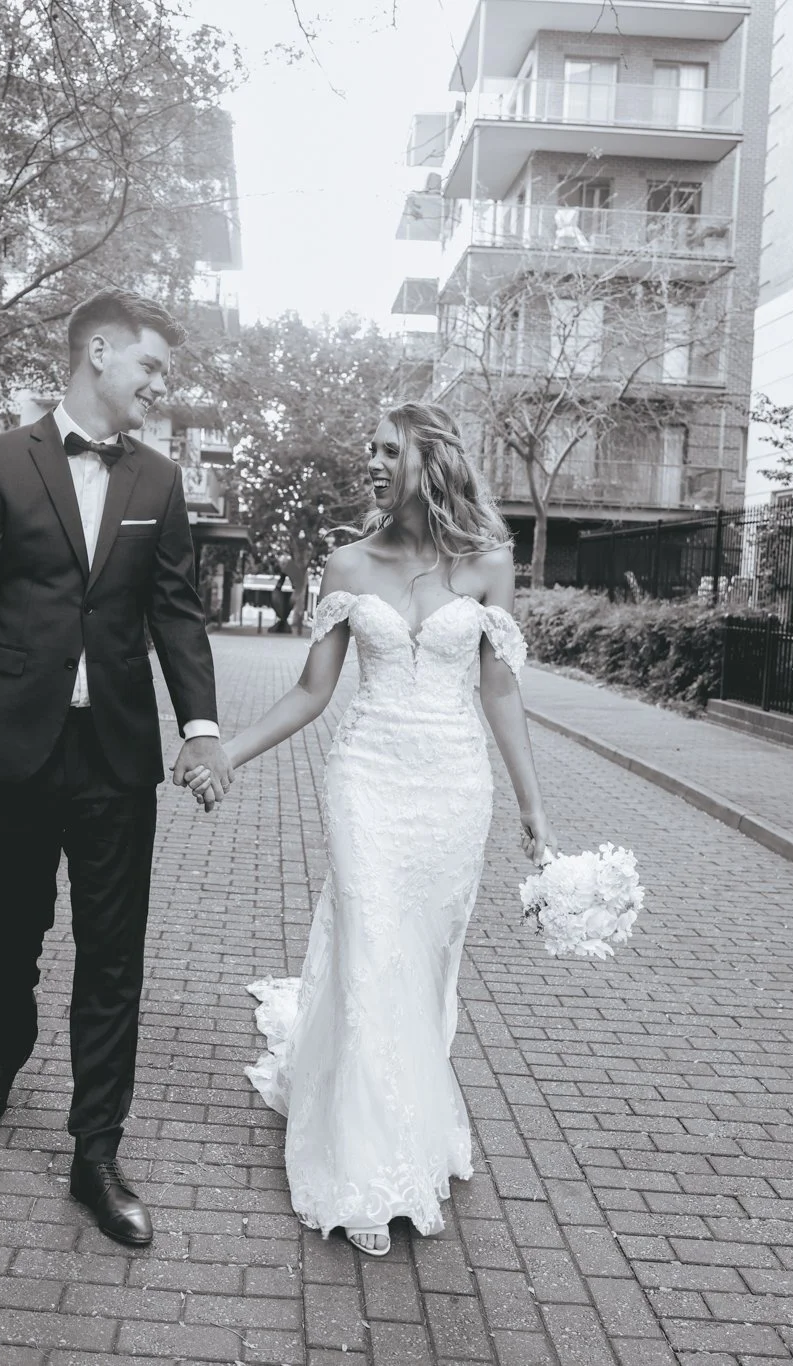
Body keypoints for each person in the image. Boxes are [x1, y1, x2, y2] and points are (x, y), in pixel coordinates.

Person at [187, 401, 549, 1256]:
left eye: (390, 449)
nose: (374, 461)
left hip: (454, 788)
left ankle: (411, 1123)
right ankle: (362, 1159)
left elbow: (499, 689)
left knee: (422, 961)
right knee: (370, 943)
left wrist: (533, 803)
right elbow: (313, 692)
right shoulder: (348, 562)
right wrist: (227, 751)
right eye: (371, 449)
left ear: (432, 457)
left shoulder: (491, 564)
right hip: (367, 781)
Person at [0, 288, 232, 1248]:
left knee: (113, 955)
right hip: (14, 747)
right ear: (99, 353)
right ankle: (7, 1046)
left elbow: (175, 612)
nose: (157, 386)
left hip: (114, 757)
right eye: (150, 368)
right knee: (7, 928)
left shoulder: (160, 480)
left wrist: (204, 725)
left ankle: (97, 1150)